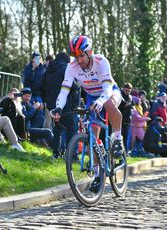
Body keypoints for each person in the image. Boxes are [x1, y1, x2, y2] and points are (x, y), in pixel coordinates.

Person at [51, 35, 124, 192]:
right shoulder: (71, 67)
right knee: (92, 137)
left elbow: (108, 88)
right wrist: (58, 108)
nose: (79, 60)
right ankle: (98, 175)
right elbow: (64, 90)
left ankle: (118, 138)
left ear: (89, 52)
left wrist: (101, 101)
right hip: (91, 96)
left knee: (110, 104)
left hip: (110, 92)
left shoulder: (101, 61)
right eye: (76, 57)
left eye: (81, 56)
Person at [41, 52, 79, 158]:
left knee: (57, 129)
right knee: (71, 128)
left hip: (52, 105)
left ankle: (56, 152)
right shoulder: (65, 69)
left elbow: (41, 86)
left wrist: (47, 101)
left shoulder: (48, 70)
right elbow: (73, 86)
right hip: (65, 104)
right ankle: (71, 154)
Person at [118, 83, 134, 152]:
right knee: (119, 136)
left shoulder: (130, 97)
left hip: (127, 119)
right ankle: (119, 151)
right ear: (123, 88)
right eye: (126, 91)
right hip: (120, 119)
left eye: (129, 91)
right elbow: (119, 106)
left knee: (126, 136)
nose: (127, 92)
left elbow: (132, 104)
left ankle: (125, 151)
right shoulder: (119, 95)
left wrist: (131, 107)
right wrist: (125, 105)